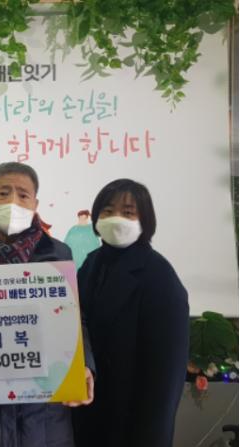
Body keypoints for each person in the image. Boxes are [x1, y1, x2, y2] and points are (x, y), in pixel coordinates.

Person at [0, 162, 94, 447]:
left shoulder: (58, 253)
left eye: (23, 195)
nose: (13, 201)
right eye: (3, 193)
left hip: (42, 413)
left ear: (35, 203)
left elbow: (75, 316)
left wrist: (84, 363)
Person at [73, 179, 189, 447]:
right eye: (107, 211)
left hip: (133, 423)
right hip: (89, 412)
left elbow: (167, 377)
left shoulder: (159, 275)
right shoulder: (91, 263)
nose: (116, 219)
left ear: (145, 220)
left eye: (127, 212)